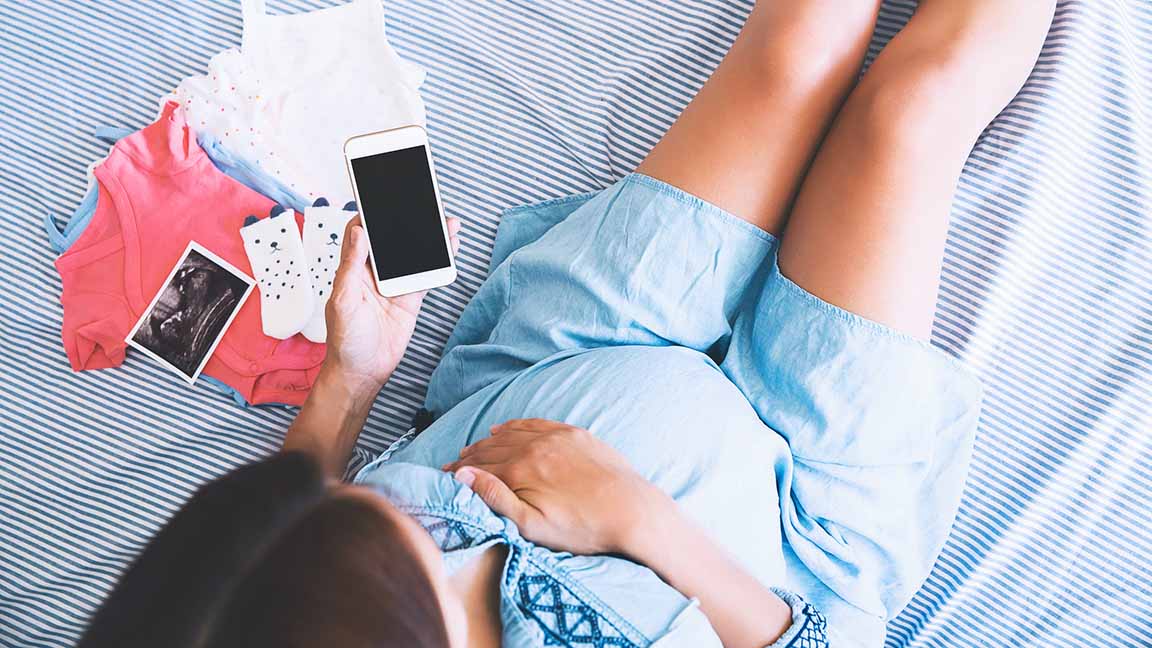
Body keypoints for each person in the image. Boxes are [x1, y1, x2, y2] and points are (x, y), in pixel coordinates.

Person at [77, 1, 1055, 647]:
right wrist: (641, 522)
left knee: (803, 36)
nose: (402, 502)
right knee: (915, 111)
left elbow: (295, 520)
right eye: (399, 531)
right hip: (791, 536)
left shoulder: (223, 611)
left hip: (562, 363)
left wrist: (353, 376)